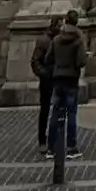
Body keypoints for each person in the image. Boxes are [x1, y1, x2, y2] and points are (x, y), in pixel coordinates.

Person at [45, 9, 87, 158]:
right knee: (71, 113)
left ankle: (51, 148)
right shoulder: (78, 40)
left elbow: (48, 58)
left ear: (66, 21)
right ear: (76, 22)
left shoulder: (56, 39)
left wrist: (58, 64)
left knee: (56, 112)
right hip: (71, 79)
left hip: (58, 79)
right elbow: (81, 62)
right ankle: (71, 147)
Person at [31, 15, 61, 156]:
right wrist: (44, 74)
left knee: (58, 110)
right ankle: (42, 140)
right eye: (59, 25)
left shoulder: (60, 40)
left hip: (58, 79)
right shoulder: (44, 40)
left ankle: (55, 138)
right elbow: (35, 61)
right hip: (47, 80)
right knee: (44, 110)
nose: (61, 28)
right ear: (53, 26)